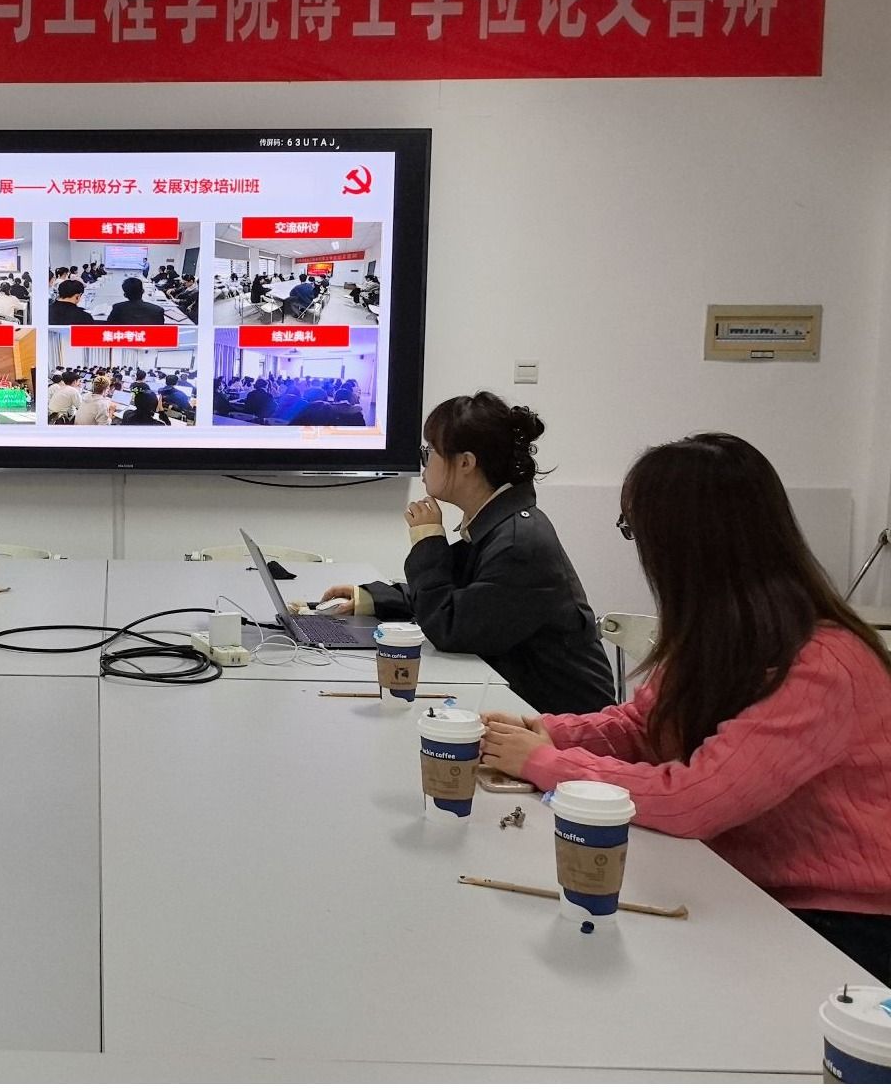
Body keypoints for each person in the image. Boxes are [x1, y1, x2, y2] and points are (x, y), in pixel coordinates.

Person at [479, 433, 891, 982]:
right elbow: (644, 725)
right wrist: (549, 732)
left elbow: (696, 797)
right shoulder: (720, 634)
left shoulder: (825, 664)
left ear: (689, 545)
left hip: (843, 925)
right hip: (744, 885)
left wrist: (544, 763)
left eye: (635, 530)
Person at [321, 392, 614, 715]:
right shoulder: (498, 522)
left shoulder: (518, 544)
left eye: (429, 451)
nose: (424, 462)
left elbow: (450, 626)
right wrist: (372, 598)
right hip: (526, 707)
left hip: (565, 725)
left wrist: (428, 540)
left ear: (465, 463)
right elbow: (461, 596)